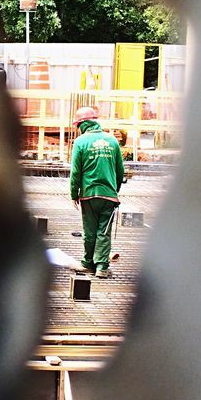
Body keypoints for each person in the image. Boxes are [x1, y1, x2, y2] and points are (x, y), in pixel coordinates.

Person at [69, 105, 126, 277]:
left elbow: (76, 172)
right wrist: (113, 190)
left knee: (90, 231)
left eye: (77, 126)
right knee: (104, 231)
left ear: (82, 124)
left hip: (88, 194)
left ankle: (88, 263)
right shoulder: (112, 141)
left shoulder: (80, 142)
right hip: (109, 194)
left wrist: (74, 194)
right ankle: (101, 267)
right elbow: (120, 170)